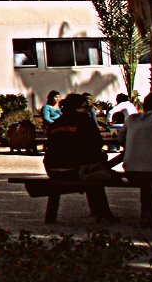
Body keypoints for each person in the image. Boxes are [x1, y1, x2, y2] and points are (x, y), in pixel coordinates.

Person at [44, 93, 119, 222]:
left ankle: (98, 211)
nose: (88, 110)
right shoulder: (85, 121)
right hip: (75, 170)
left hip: (52, 169)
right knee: (96, 171)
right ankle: (103, 213)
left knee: (91, 168)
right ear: (78, 108)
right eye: (86, 107)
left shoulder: (56, 123)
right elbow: (96, 145)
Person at [119, 92, 152, 224]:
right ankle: (148, 212)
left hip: (131, 170)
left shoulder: (132, 119)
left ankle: (147, 211)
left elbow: (120, 138)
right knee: (151, 173)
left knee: (148, 173)